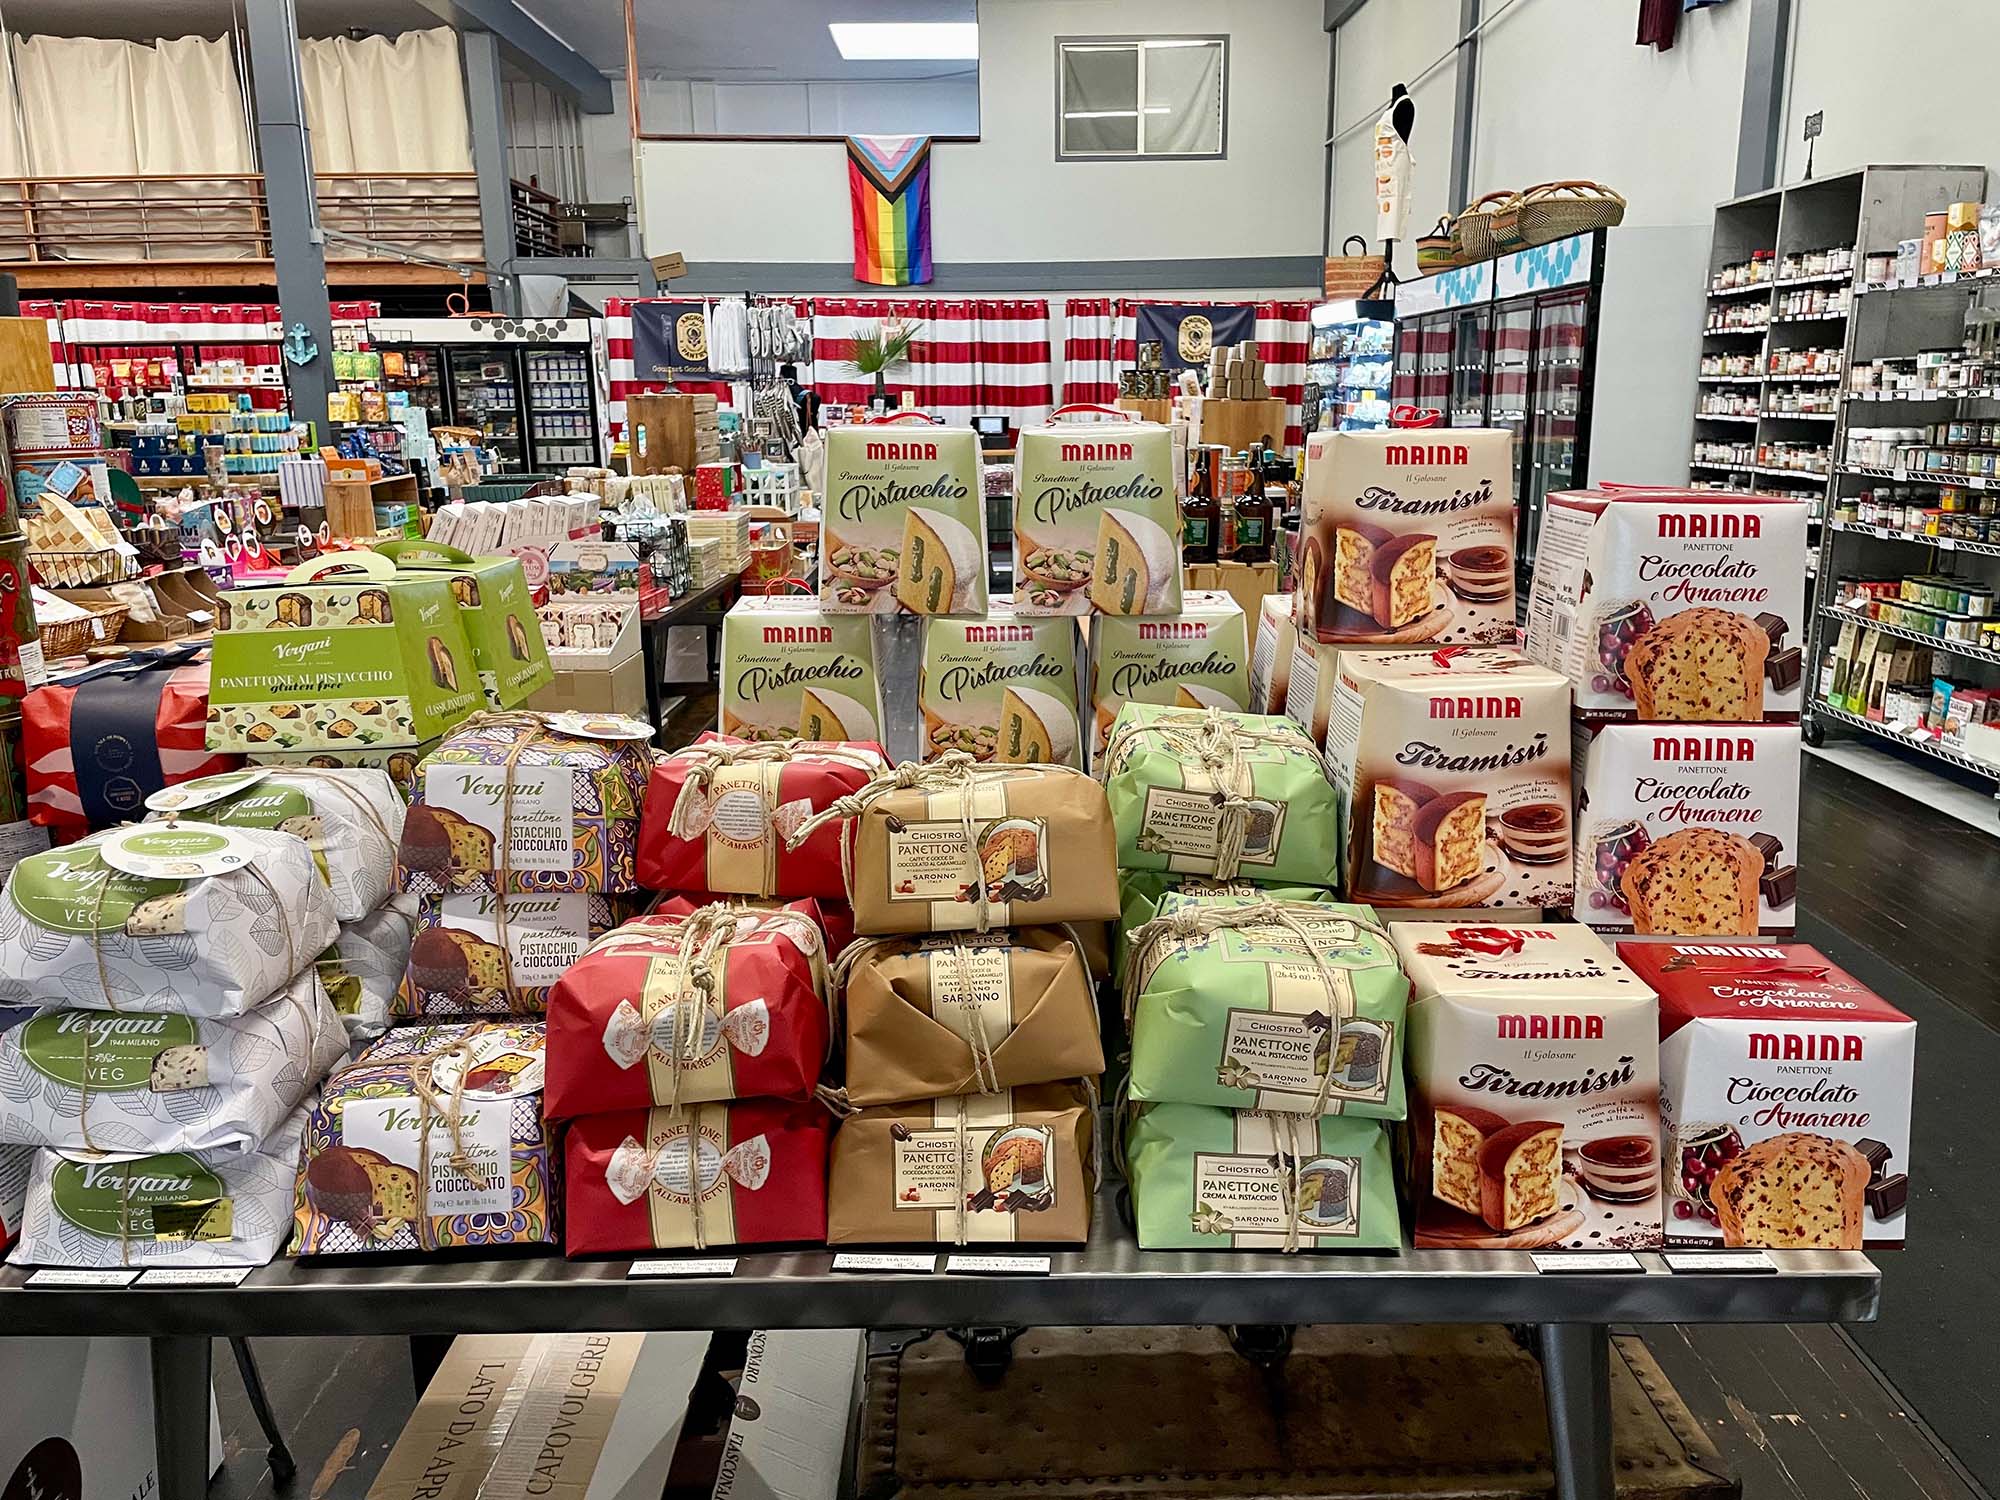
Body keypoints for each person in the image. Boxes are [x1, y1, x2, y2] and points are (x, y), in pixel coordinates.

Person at [781, 363, 823, 434]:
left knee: (806, 426)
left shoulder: (787, 388)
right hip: (806, 400)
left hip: (804, 401)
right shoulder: (791, 387)